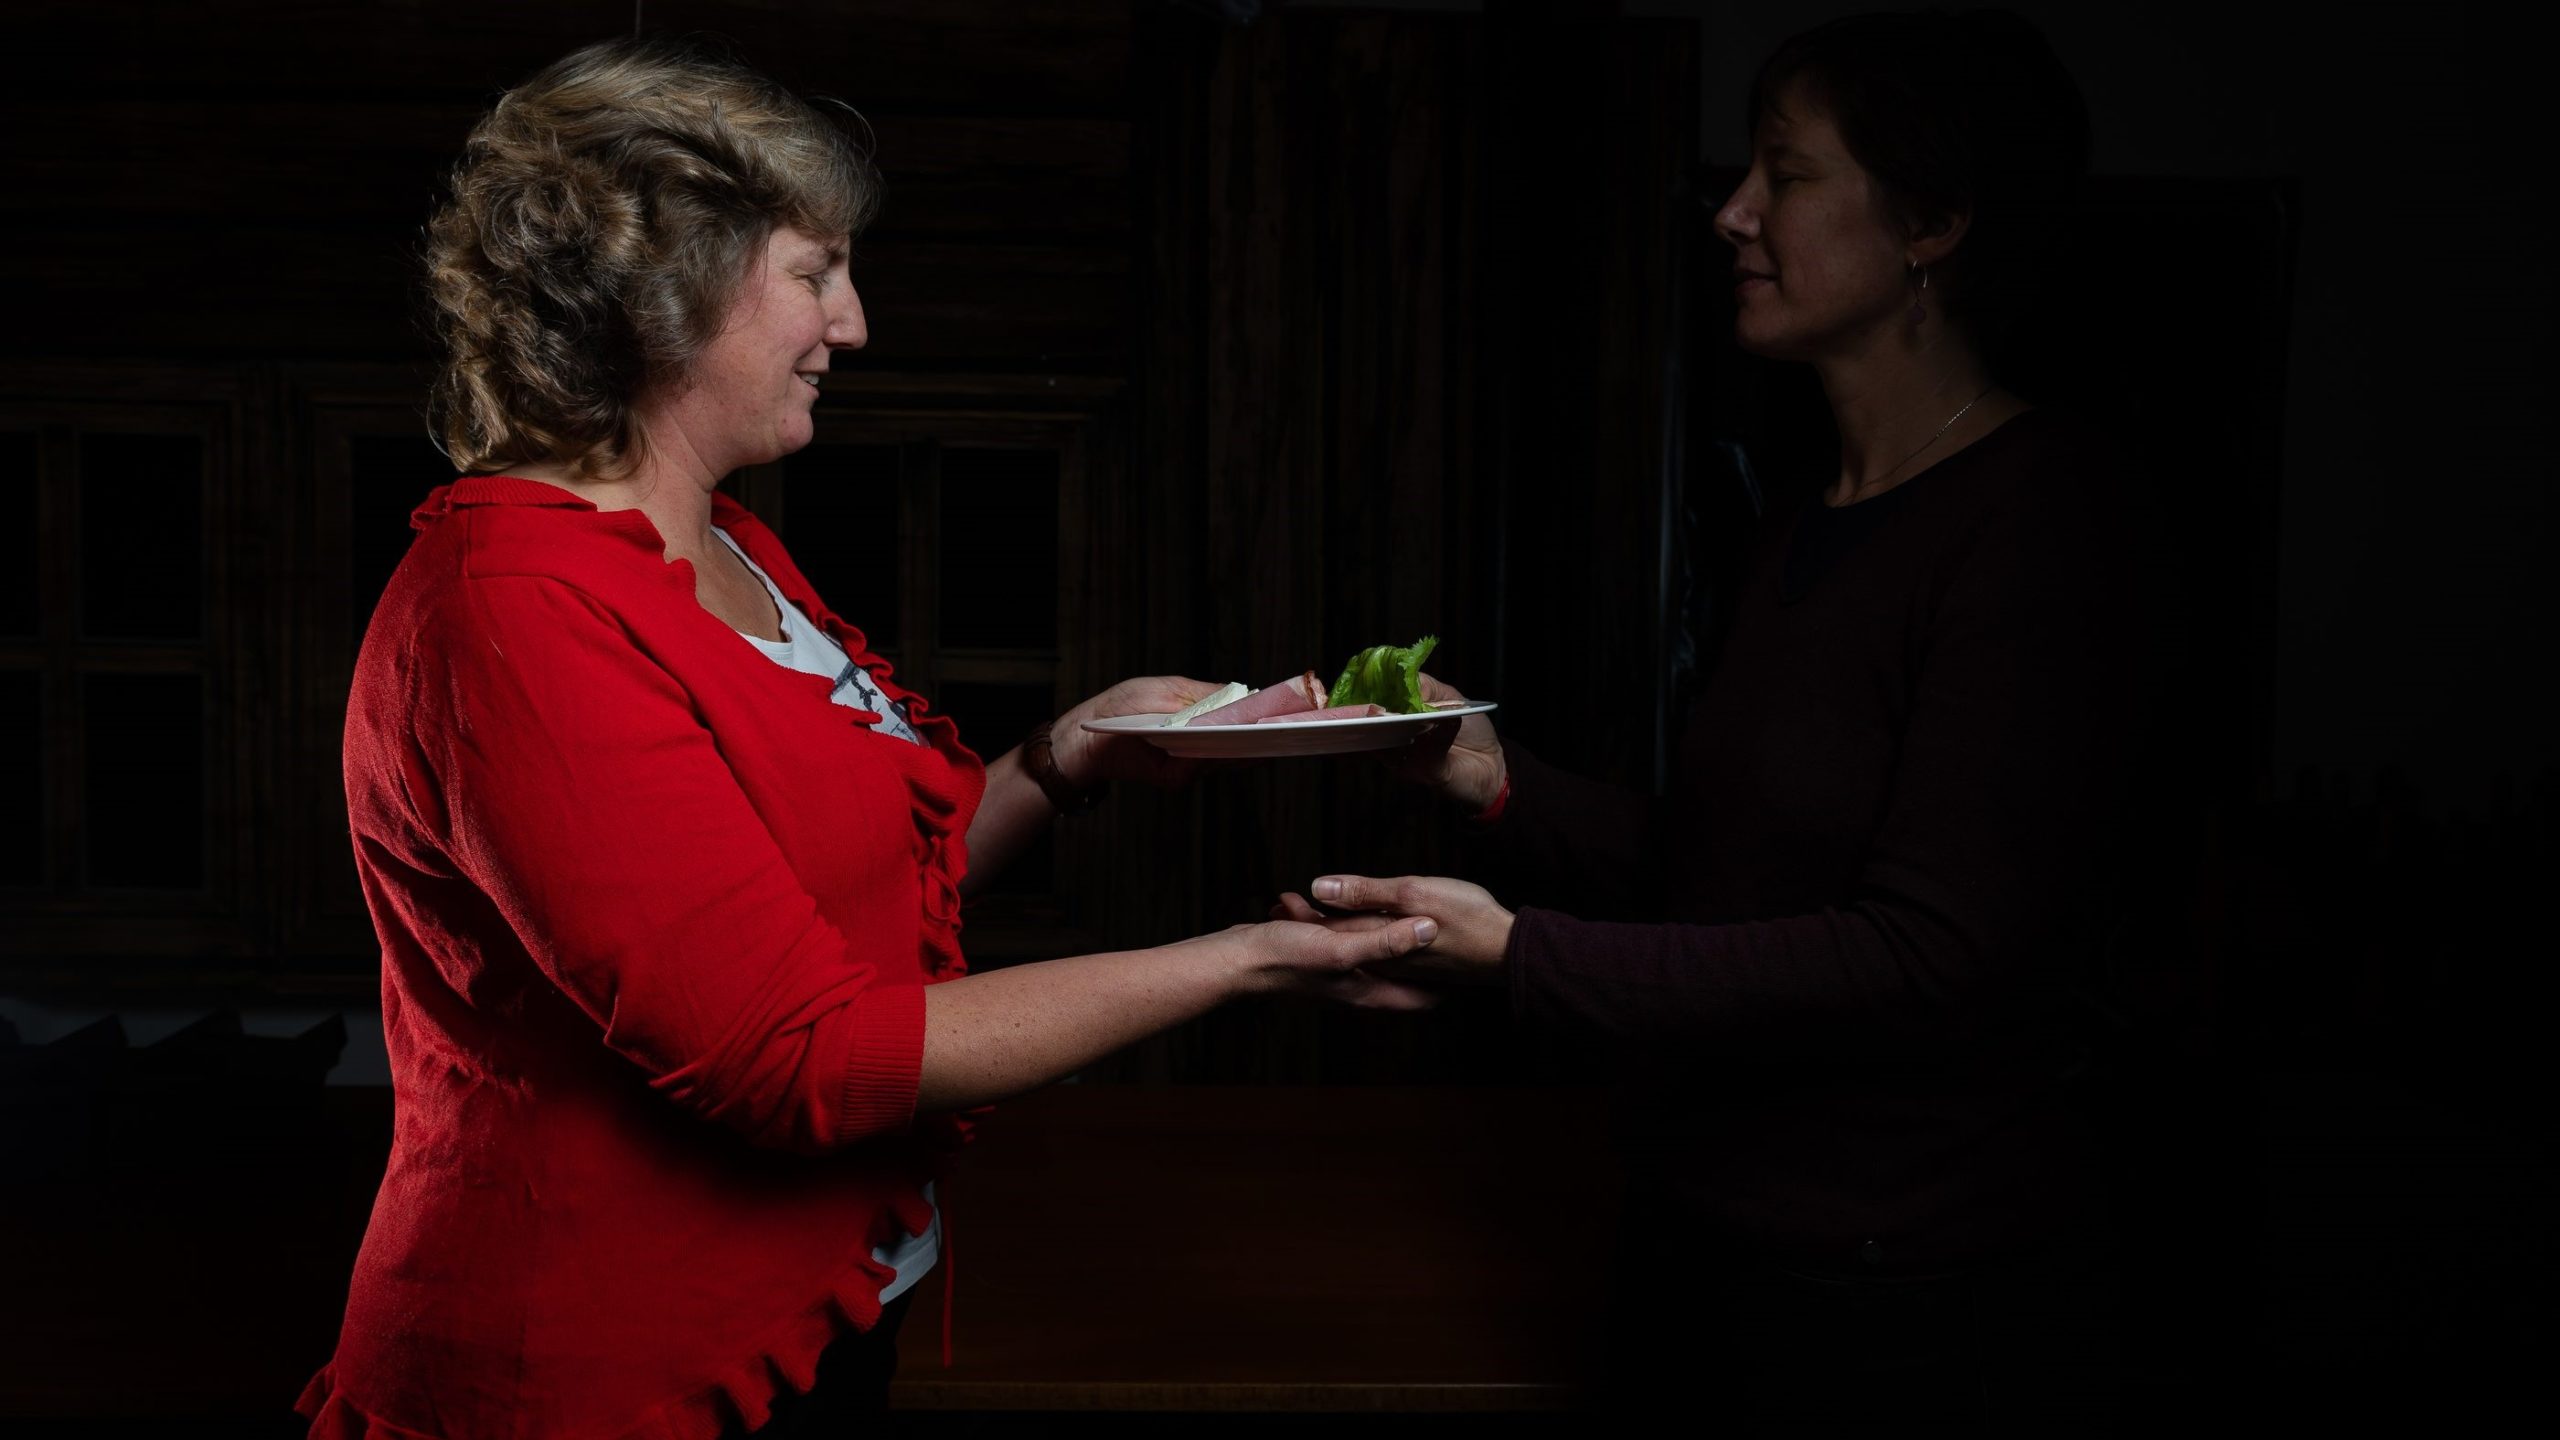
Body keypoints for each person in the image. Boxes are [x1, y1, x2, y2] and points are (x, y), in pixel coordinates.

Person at [296, 36, 1436, 1440]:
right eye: (815, 271)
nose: (854, 324)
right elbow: (798, 1059)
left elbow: (826, 898)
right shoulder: (509, 616)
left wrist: (1060, 759)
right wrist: (1250, 963)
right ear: (671, 292)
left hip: (817, 1316)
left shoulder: (728, 545)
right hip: (603, 1381)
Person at [1282, 10, 2173, 1427]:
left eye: (1787, 173)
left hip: (1896, 1297)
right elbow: (1730, 876)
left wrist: (1521, 958)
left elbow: (1926, 953)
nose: (1736, 214)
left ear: (1933, 221)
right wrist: (1499, 784)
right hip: (1709, 1234)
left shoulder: (2044, 521)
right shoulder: (1809, 519)